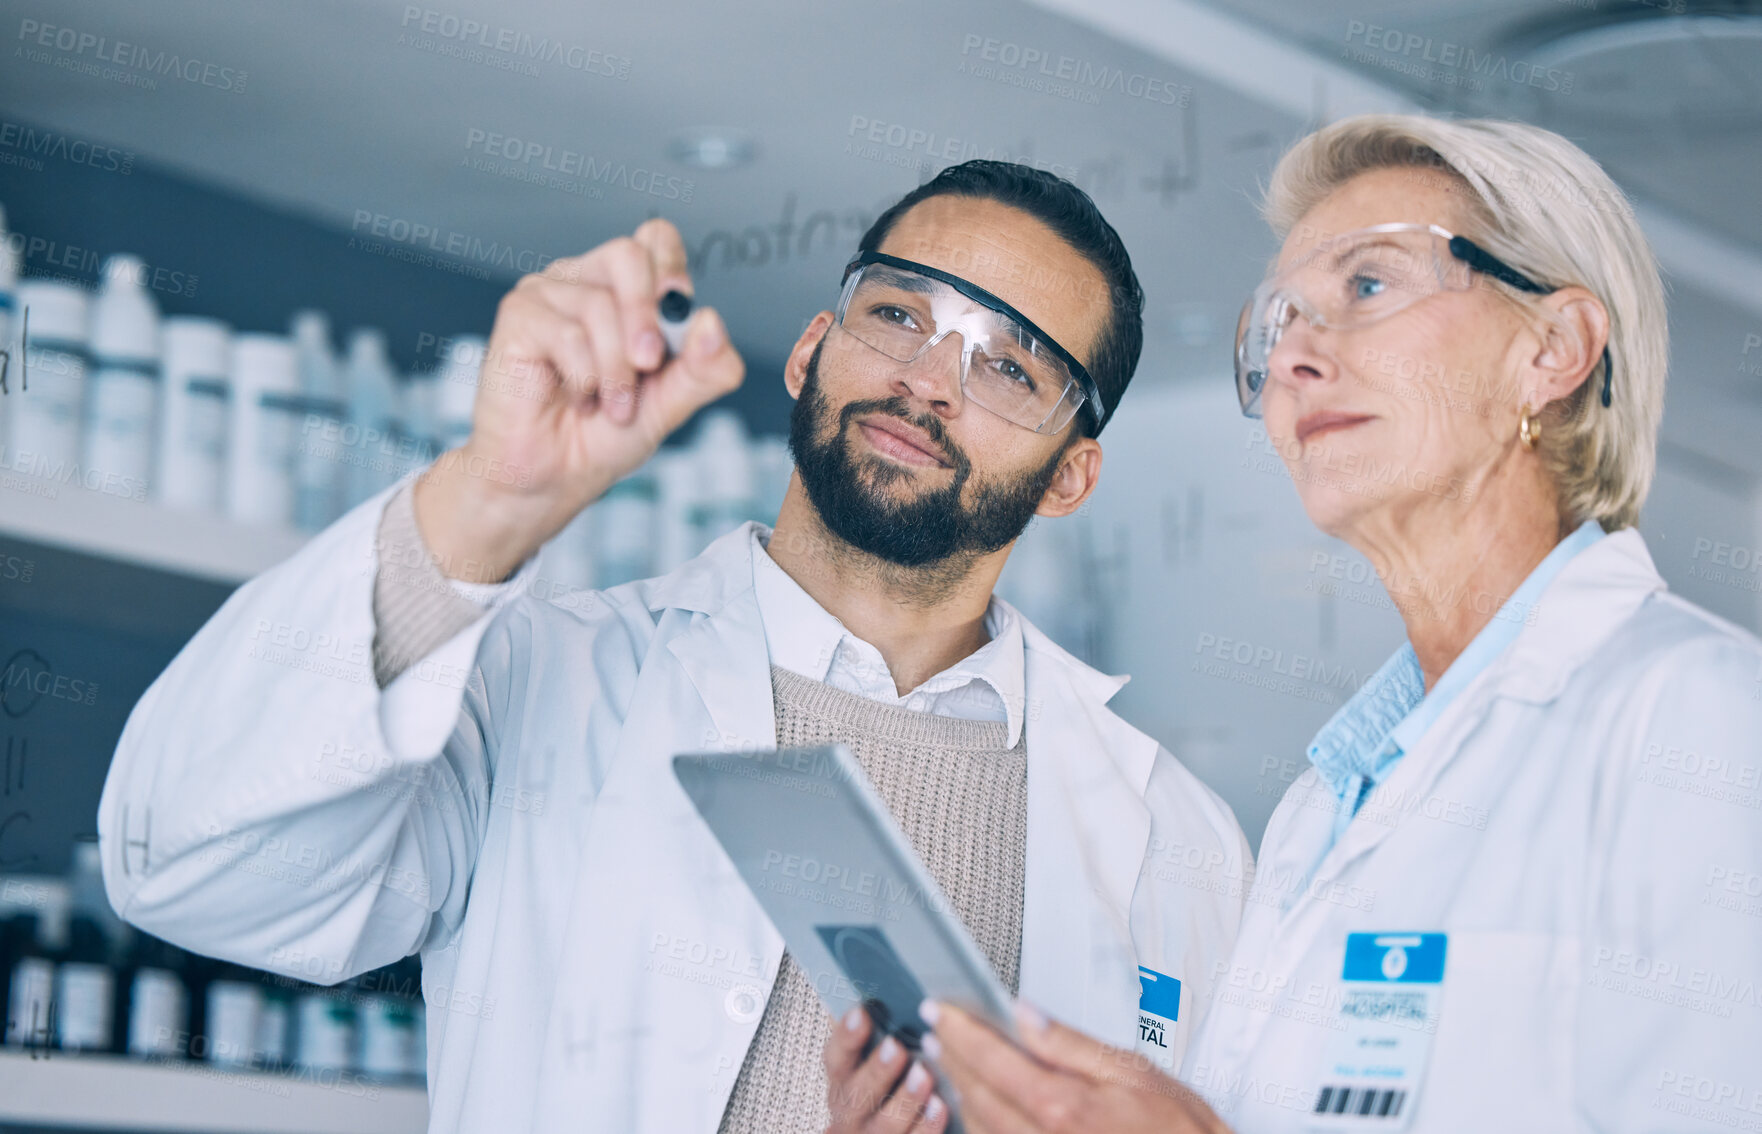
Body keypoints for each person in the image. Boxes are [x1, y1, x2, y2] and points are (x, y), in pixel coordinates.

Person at [97, 161, 1250, 1134]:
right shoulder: (539, 689)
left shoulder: (1174, 841)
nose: (927, 379)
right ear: (812, 349)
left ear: (1070, 476)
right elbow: (187, 868)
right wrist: (485, 502)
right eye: (899, 313)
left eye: (1008, 366)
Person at [837, 116, 1762, 1132]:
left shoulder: (1694, 714)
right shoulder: (1317, 814)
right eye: (1275, 326)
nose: (1293, 360)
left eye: (1366, 286)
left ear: (1553, 348)